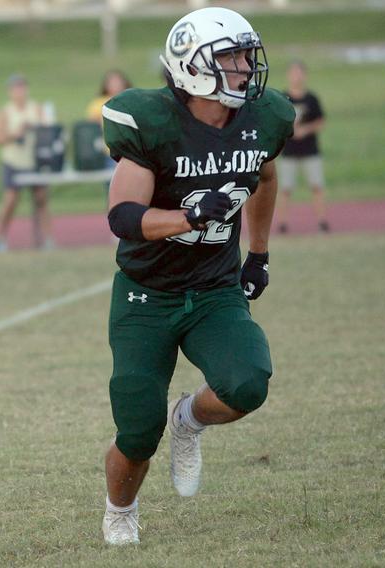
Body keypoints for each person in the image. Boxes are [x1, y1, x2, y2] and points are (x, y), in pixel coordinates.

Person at [100, 7, 294, 545]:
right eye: (228, 57)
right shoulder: (152, 121)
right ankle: (121, 510)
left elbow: (265, 174)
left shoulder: (263, 117)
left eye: (245, 55)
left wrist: (258, 253)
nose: (244, 68)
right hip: (146, 294)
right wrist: (191, 215)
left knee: (248, 383)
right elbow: (123, 218)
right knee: (138, 429)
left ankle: (189, 419)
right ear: (191, 66)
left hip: (214, 287)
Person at [0, 74, 50, 251]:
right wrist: (16, 134)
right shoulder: (6, 112)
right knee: (10, 201)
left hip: (34, 161)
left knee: (41, 199)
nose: (20, 92)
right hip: (13, 162)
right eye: (16, 88)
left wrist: (35, 128)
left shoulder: (37, 108)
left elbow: (48, 131)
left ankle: (46, 239)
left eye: (22, 87)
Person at [276, 60, 329, 233]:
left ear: (305, 75)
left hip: (310, 150)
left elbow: (321, 121)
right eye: (293, 73)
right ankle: (282, 223)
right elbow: (277, 123)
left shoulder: (311, 99)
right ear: (288, 75)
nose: (297, 77)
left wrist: (306, 129)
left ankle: (322, 221)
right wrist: (290, 130)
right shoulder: (282, 98)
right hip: (289, 151)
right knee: (285, 188)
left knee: (316, 186)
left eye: (300, 73)